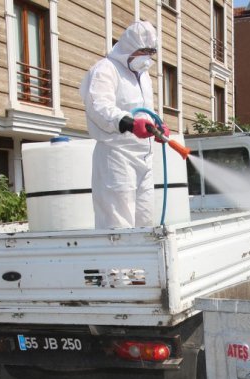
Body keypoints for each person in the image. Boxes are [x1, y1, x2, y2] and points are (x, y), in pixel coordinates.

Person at [79, 20, 168, 229]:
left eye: (151, 52)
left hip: (144, 159)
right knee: (118, 224)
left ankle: (140, 263)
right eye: (143, 51)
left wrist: (157, 125)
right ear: (129, 47)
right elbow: (98, 106)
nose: (147, 57)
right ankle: (118, 264)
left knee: (145, 222)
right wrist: (128, 123)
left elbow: (145, 108)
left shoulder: (144, 77)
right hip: (116, 156)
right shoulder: (105, 70)